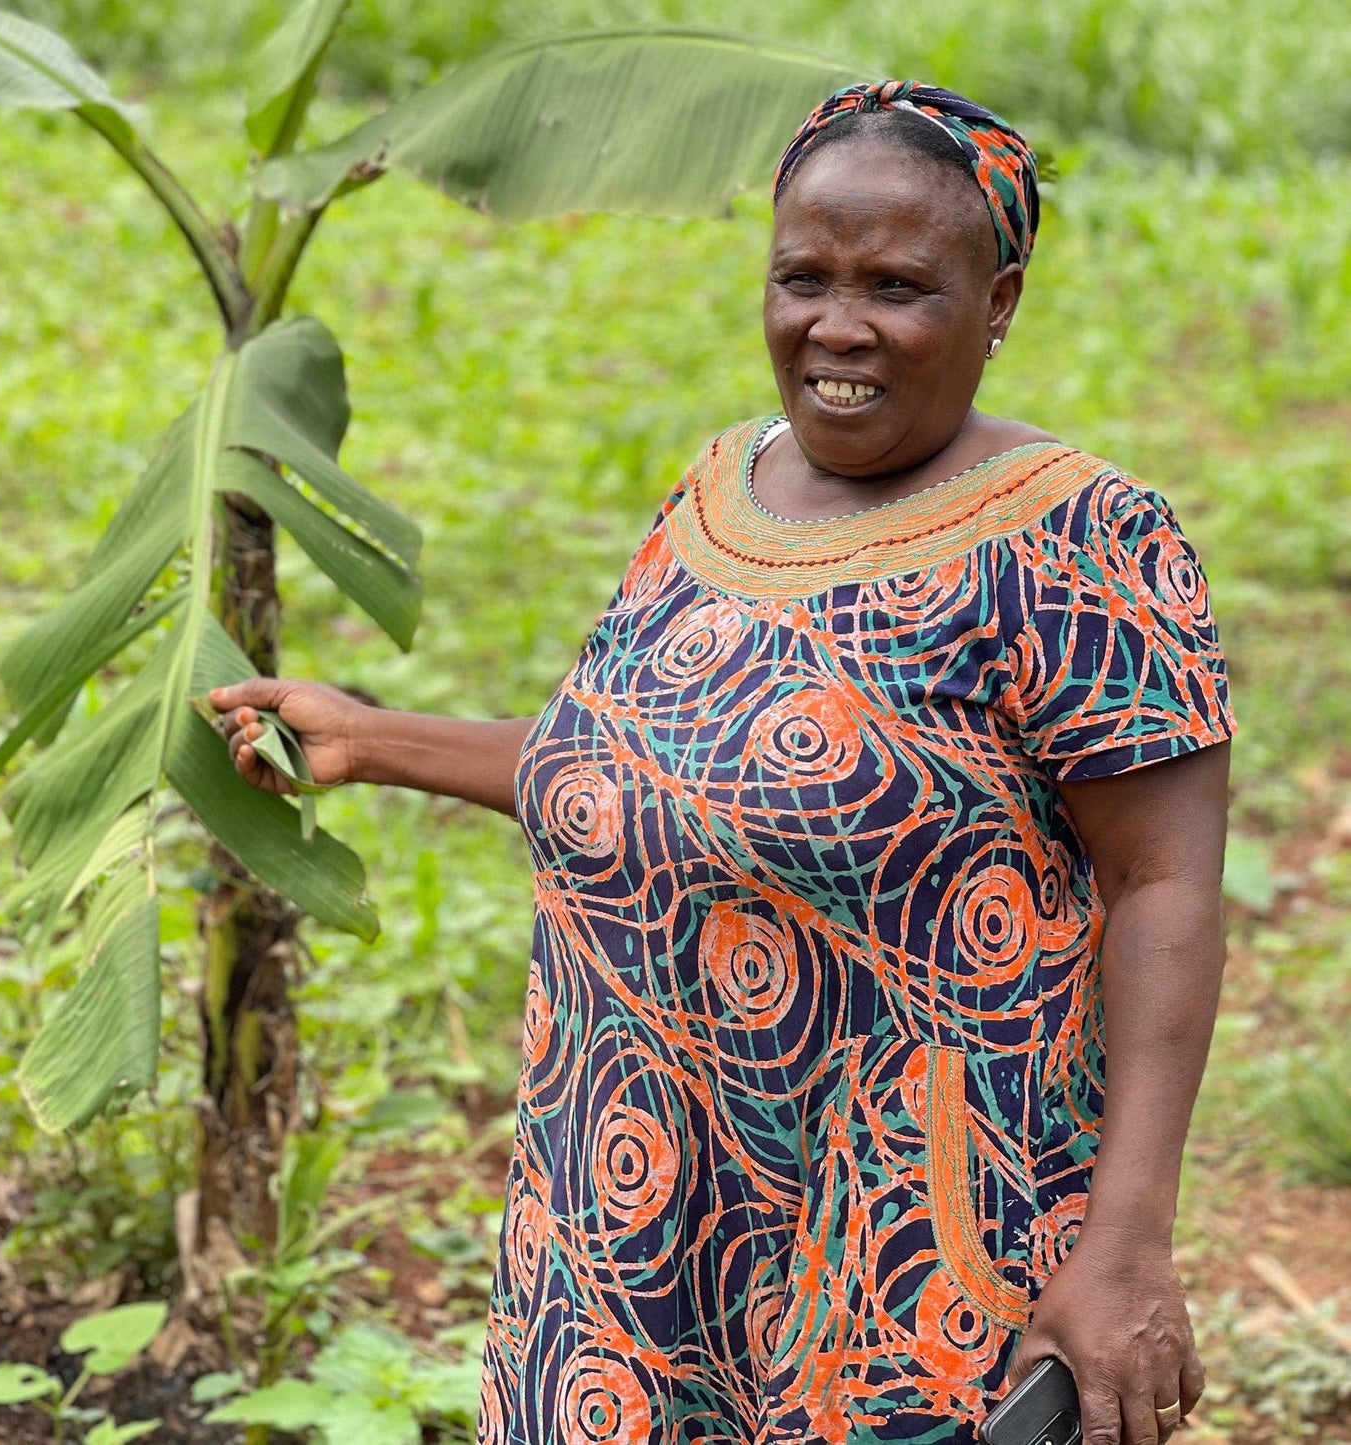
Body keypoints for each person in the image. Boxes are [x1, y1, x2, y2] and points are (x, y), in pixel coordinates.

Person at [210, 80, 1235, 1445]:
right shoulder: (714, 490)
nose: (836, 326)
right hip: (628, 1236)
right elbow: (647, 774)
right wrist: (372, 739)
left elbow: (1164, 884)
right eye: (800, 277)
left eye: (897, 285)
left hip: (906, 1256)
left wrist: (1125, 1249)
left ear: (996, 303)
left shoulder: (1079, 538)